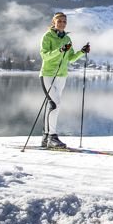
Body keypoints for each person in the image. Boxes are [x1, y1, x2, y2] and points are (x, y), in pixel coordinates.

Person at [39, 12, 90, 149]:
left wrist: (82, 52)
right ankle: (52, 137)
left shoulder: (67, 38)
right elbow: (45, 56)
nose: (62, 23)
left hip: (62, 76)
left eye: (64, 21)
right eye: (59, 21)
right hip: (48, 75)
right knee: (55, 104)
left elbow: (70, 58)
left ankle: (45, 137)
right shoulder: (47, 36)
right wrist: (60, 50)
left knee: (52, 105)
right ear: (54, 22)